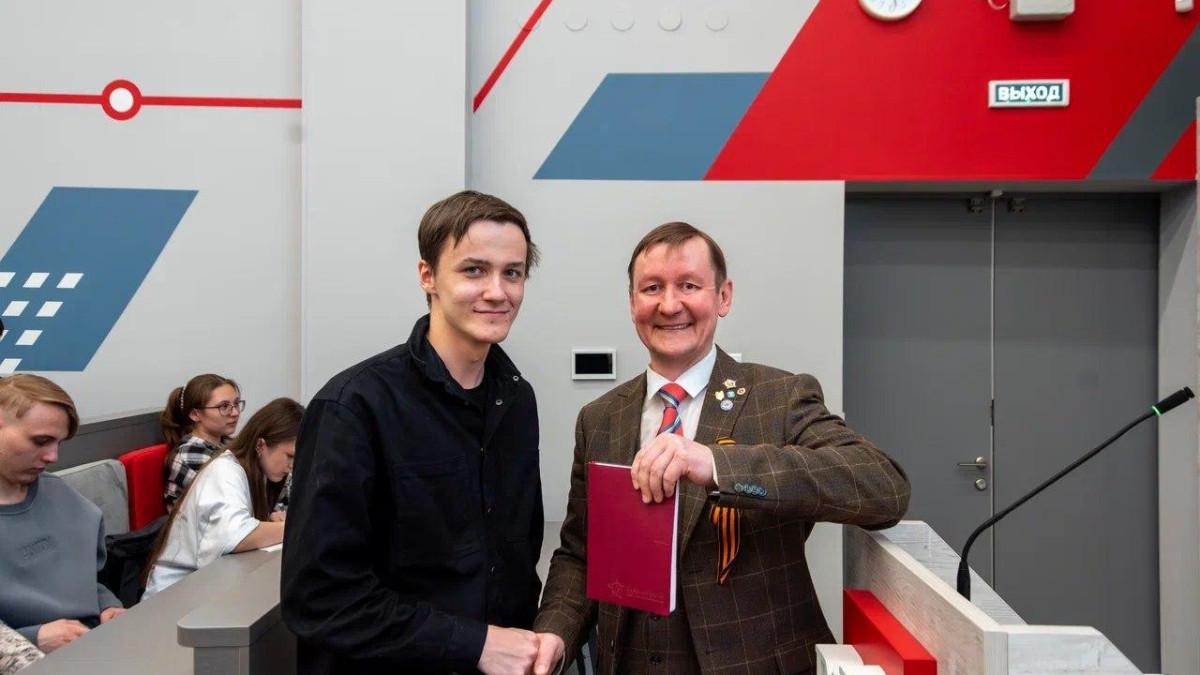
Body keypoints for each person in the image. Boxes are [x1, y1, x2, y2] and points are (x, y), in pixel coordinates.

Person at [532, 223, 912, 675]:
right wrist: (554, 634)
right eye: (652, 288)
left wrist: (715, 463)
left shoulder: (780, 396)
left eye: (689, 286)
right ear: (632, 302)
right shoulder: (599, 418)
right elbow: (580, 553)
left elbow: (883, 487)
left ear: (723, 297)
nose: (669, 305)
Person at [281, 190, 545, 675]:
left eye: (512, 272)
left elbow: (518, 558)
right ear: (428, 276)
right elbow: (319, 597)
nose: (497, 291)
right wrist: (476, 645)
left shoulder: (517, 400)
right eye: (474, 270)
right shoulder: (353, 406)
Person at [0, 375, 125, 653]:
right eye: (40, 441)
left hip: (95, 645)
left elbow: (88, 580)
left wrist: (107, 606)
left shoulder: (64, 497)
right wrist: (33, 637)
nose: (52, 457)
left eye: (58, 443)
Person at [143, 398, 302, 598]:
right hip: (174, 595)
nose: (292, 466)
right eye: (290, 456)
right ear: (261, 445)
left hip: (206, 586)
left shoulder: (259, 472)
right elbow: (236, 536)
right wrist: (293, 527)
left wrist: (270, 523)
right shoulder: (225, 470)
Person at [160, 374, 243, 509]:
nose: (235, 413)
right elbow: (233, 503)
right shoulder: (190, 454)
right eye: (224, 406)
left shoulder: (224, 444)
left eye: (236, 404)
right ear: (195, 414)